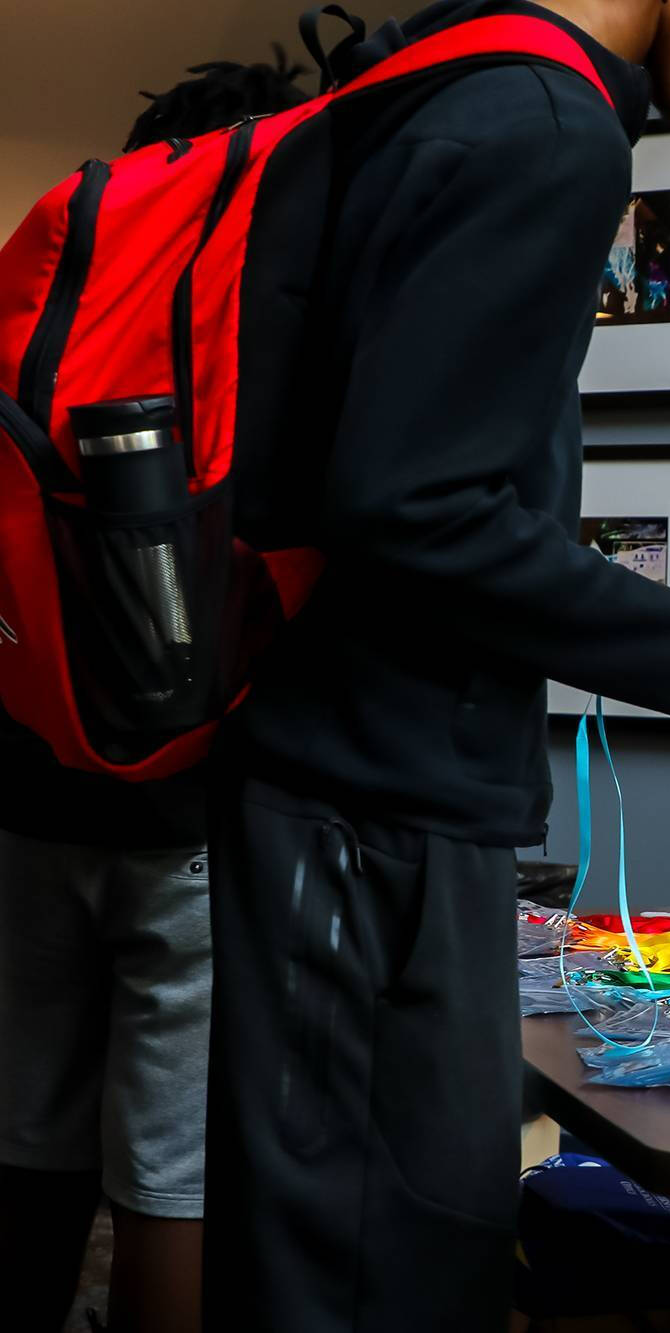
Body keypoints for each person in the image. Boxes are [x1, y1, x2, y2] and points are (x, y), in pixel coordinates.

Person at [199, 3, 670, 1330]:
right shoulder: (552, 126)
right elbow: (415, 504)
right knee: (379, 1266)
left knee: (373, 1247)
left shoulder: (444, 81)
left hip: (345, 784)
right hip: (374, 804)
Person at [0, 51, 310, 1333]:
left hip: (29, 777)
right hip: (193, 802)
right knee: (170, 1182)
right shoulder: (257, 283)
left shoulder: (73, 271)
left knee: (25, 1143)